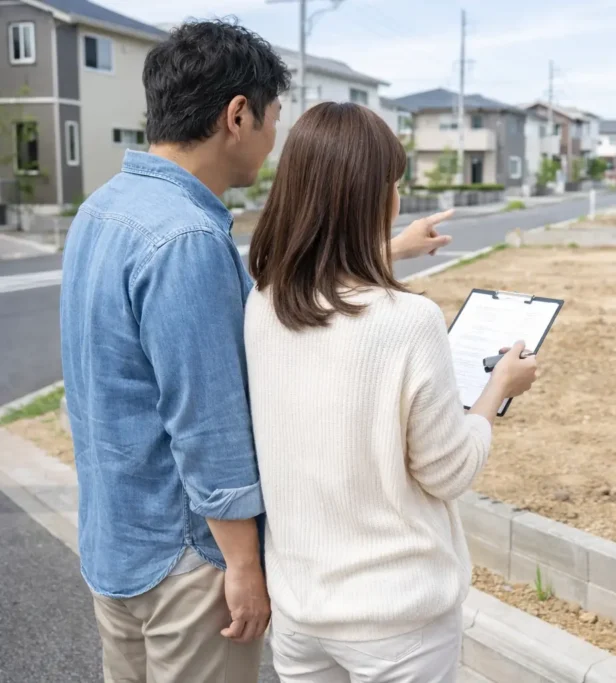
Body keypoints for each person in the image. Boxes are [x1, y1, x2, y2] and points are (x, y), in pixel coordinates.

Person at [60, 21, 451, 683]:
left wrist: (390, 250)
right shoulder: (186, 240)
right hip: (186, 558)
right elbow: (205, 423)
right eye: (273, 118)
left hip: (115, 540)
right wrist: (243, 565)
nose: (274, 140)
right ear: (236, 115)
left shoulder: (104, 210)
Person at [245, 101, 538, 683]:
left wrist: (394, 249)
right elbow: (447, 471)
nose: (397, 196)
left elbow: (329, 291)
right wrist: (496, 392)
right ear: (371, 198)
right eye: (392, 184)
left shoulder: (264, 303)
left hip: (301, 609)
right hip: (397, 622)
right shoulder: (410, 320)